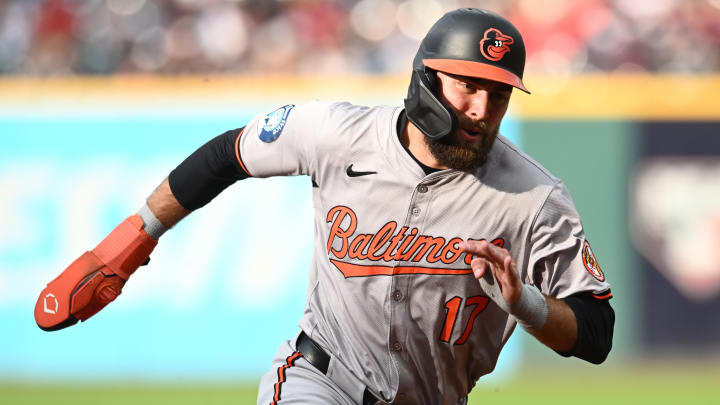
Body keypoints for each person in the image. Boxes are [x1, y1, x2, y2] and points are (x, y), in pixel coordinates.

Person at [34, 8, 614, 405]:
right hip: (320, 380)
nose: (482, 107)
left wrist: (527, 304)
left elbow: (596, 333)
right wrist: (133, 239)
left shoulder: (534, 198)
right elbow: (227, 154)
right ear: (426, 80)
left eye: (499, 92)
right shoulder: (339, 134)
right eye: (467, 84)